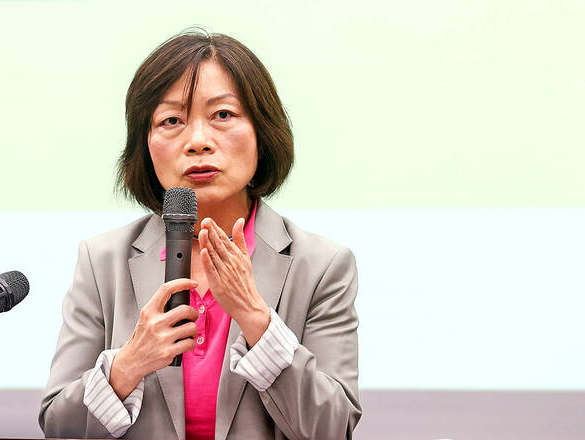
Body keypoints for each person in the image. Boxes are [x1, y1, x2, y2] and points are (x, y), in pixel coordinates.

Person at [39, 30, 362, 440]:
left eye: (223, 115)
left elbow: (333, 430)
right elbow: (58, 429)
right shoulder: (103, 261)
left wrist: (256, 320)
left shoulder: (321, 266)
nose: (197, 142)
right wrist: (127, 367)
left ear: (263, 131)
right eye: (171, 120)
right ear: (146, 145)